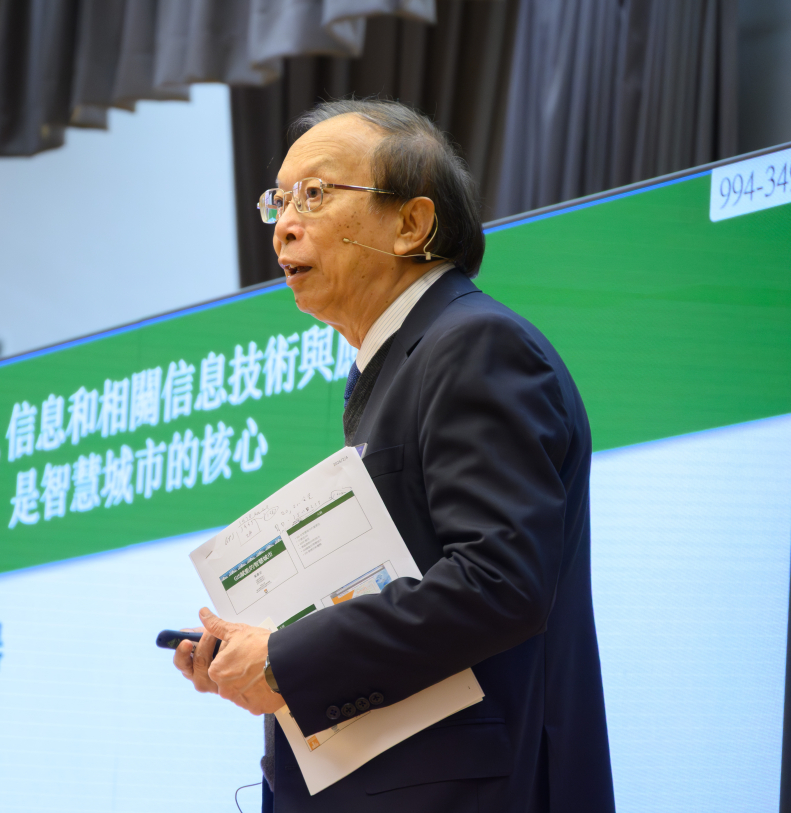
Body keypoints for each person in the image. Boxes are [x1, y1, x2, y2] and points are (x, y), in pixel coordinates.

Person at [172, 99, 614, 813]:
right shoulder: (397, 368)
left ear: (412, 224)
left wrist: (285, 657)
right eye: (278, 201)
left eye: (315, 194)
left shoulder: (474, 344)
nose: (284, 224)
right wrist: (258, 652)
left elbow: (498, 581)